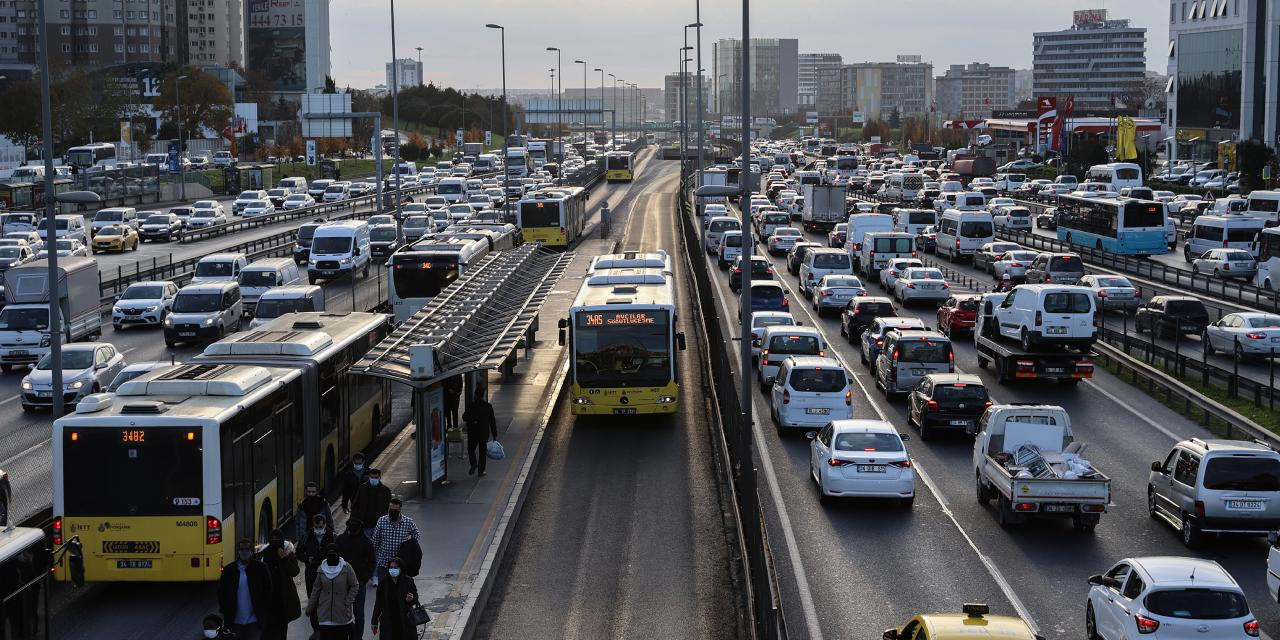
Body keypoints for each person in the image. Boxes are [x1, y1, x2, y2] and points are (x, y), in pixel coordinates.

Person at [217, 538, 272, 640]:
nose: (244, 552)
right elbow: (221, 593)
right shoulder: (229, 570)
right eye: (242, 549)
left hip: (254, 622)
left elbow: (268, 591)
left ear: (251, 551)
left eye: (247, 549)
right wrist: (225, 611)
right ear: (238, 551)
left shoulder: (261, 568)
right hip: (234, 623)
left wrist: (264, 611)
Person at [306, 544, 359, 640]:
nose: (331, 555)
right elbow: (316, 589)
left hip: (341, 616)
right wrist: (310, 607)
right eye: (329, 553)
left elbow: (355, 585)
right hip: (324, 615)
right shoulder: (321, 569)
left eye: (333, 553)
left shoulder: (347, 567)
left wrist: (347, 601)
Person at [335, 518, 376, 640]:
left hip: (343, 583)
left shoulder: (340, 540)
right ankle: (357, 637)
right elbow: (372, 562)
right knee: (359, 614)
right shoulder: (367, 541)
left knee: (342, 613)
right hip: (359, 582)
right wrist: (365, 577)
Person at [257, 529, 301, 640]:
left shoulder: (287, 552)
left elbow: (294, 571)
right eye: (273, 539)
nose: (275, 542)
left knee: (281, 632)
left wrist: (284, 559)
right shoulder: (264, 554)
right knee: (267, 632)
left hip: (283, 600)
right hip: (269, 601)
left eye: (278, 539)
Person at [371, 498, 420, 582]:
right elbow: (375, 540)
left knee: (399, 589)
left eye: (395, 510)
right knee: (383, 590)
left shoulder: (408, 522)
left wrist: (408, 548)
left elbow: (416, 536)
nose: (392, 512)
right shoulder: (381, 521)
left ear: (400, 509)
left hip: (401, 563)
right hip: (384, 562)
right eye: (390, 510)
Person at [370, 557, 420, 640]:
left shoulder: (408, 582)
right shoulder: (383, 584)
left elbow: (415, 597)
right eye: (391, 568)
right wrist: (374, 621)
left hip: (405, 621)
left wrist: (411, 599)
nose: (393, 570)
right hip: (388, 622)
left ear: (401, 569)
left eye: (395, 567)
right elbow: (378, 604)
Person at [298, 513, 336, 598]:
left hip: (327, 571)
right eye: (316, 527)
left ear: (325, 525)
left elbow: (338, 554)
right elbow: (298, 552)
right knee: (312, 597)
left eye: (320, 527)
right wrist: (307, 559)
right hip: (311, 572)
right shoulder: (307, 536)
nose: (318, 529)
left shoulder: (332, 536)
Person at [462, 390, 498, 477]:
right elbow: (492, 421)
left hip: (473, 432)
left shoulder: (471, 405)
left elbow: (464, 417)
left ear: (475, 395)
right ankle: (480, 471)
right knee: (482, 452)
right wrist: (494, 434)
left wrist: (472, 420)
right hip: (483, 433)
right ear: (483, 395)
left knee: (471, 449)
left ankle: (473, 463)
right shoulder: (488, 406)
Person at [351, 468, 391, 540]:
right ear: (369, 477)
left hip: (379, 525)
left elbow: (389, 507)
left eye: (376, 477)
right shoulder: (362, 488)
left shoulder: (385, 491)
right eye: (372, 477)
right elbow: (355, 505)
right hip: (365, 524)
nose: (373, 479)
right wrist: (353, 521)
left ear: (379, 477)